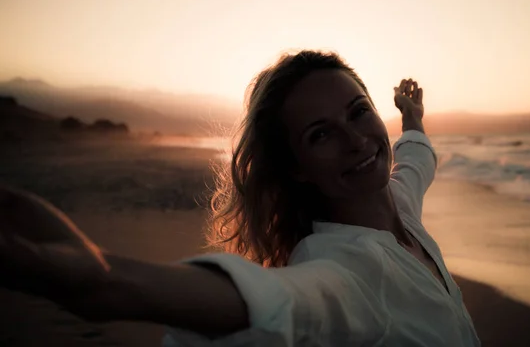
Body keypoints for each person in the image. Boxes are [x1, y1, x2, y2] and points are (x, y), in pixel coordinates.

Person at [0, 50, 481, 346]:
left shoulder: (400, 202)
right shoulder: (341, 271)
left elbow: (416, 158)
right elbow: (282, 302)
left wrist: (412, 116)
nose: (356, 140)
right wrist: (107, 281)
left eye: (359, 112)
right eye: (320, 135)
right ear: (295, 167)